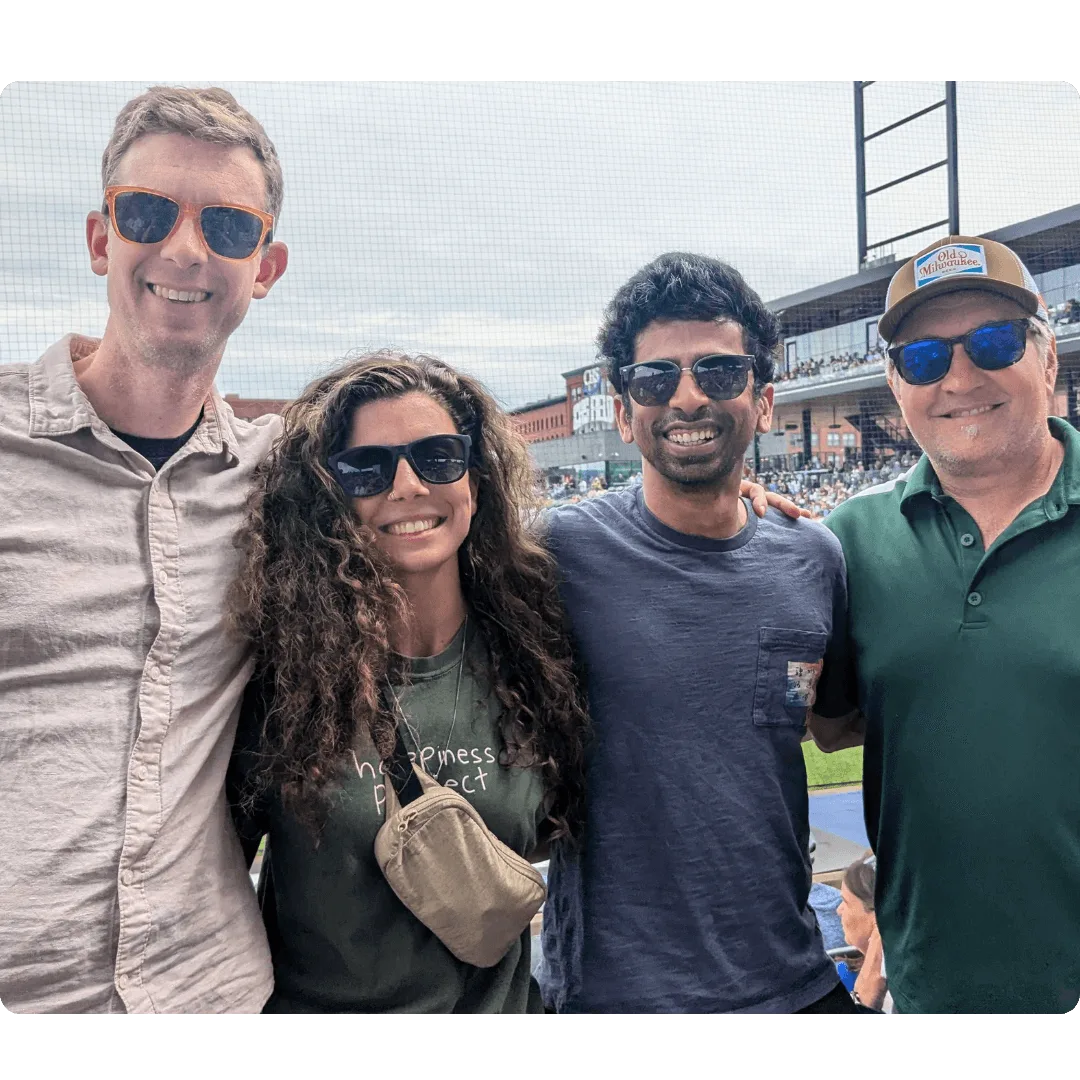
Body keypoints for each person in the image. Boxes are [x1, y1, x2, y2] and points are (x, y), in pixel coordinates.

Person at [0, 86, 288, 1014]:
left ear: (267, 266)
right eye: (150, 213)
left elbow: (445, 509)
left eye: (229, 228)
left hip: (207, 989)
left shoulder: (276, 478)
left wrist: (731, 502)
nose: (185, 251)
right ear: (100, 239)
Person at [540, 252, 863, 1015]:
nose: (687, 397)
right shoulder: (554, 553)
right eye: (656, 380)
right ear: (624, 411)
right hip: (615, 993)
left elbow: (834, 721)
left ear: (764, 401)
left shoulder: (813, 556)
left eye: (718, 373)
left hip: (793, 978)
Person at [226, 351, 590, 1014]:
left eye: (438, 456)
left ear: (474, 482)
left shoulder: (539, 651)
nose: (407, 485)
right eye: (366, 467)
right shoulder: (278, 680)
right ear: (329, 497)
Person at [810, 235, 1080, 1015]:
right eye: (925, 359)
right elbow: (839, 726)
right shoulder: (848, 541)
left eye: (992, 343)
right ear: (897, 386)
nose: (960, 377)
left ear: (1047, 357)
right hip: (929, 986)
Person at [837, 852, 889, 1012]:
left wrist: (864, 999)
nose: (839, 910)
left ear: (876, 915)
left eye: (846, 902)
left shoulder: (905, 995)